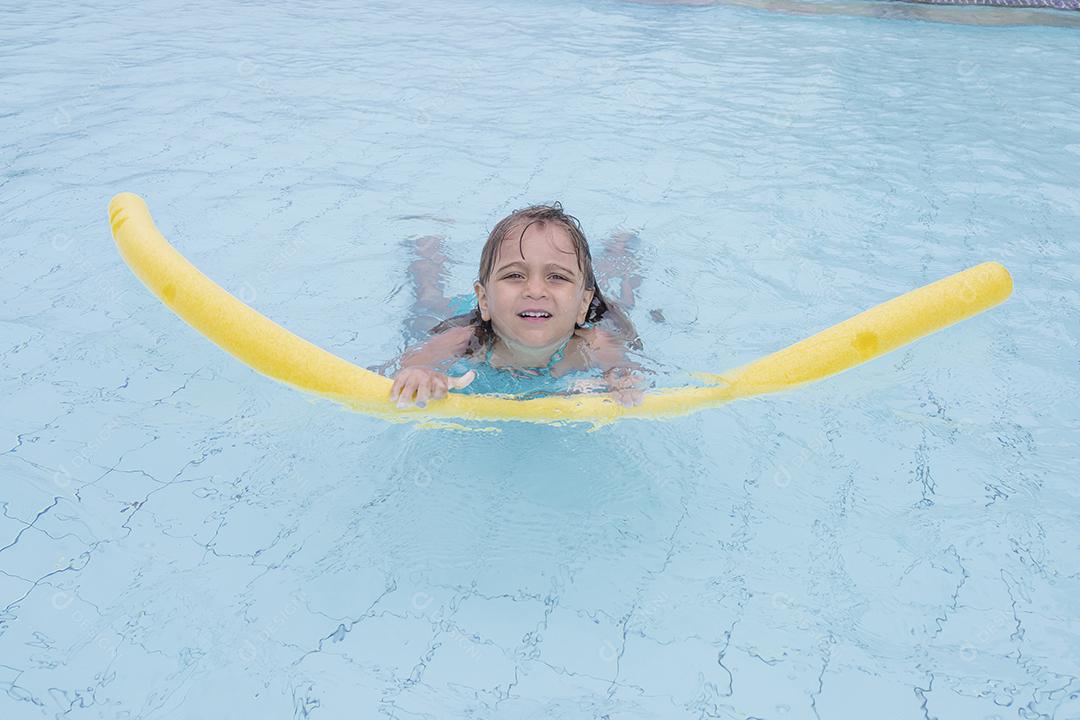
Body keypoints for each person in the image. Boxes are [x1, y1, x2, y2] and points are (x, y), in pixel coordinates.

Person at [389, 202, 646, 409]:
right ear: (484, 300)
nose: (535, 291)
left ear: (583, 305)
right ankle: (428, 251)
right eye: (514, 275)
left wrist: (621, 380)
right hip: (466, 316)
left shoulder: (594, 344)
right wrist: (420, 375)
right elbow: (407, 366)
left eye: (557, 277)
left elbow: (626, 372)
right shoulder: (464, 342)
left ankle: (619, 250)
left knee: (621, 299)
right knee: (429, 303)